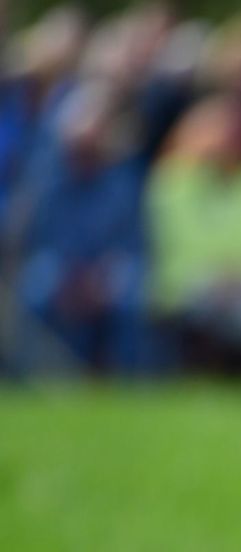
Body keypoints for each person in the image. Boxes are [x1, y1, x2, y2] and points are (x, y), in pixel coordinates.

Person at [11, 81, 149, 375]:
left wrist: (98, 277)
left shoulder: (123, 182)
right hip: (58, 266)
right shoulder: (42, 182)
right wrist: (71, 276)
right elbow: (33, 239)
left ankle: (130, 378)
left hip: (105, 270)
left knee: (131, 292)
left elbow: (131, 242)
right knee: (36, 286)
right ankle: (38, 376)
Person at [147, 96, 241, 373]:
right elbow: (178, 243)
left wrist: (239, 274)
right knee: (209, 306)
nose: (222, 143)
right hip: (189, 281)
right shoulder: (172, 183)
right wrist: (217, 274)